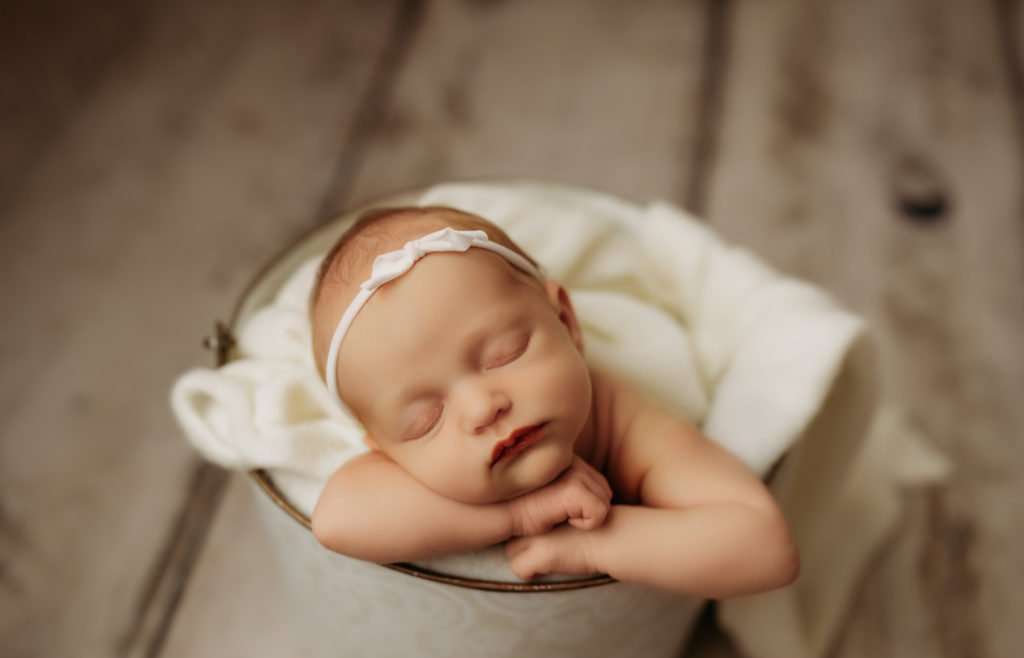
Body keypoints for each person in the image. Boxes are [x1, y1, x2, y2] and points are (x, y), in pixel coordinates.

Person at [308, 205, 798, 598]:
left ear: (565, 320)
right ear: (384, 450)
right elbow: (335, 519)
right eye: (424, 420)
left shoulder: (621, 420)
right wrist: (519, 515)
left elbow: (763, 544)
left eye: (506, 354)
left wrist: (596, 543)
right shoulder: (391, 476)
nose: (483, 408)